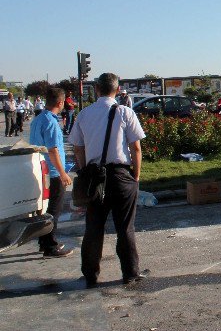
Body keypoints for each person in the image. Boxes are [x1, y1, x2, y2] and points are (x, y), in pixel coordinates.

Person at [69, 73, 147, 287]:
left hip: (95, 176)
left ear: (96, 89)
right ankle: (130, 272)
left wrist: (86, 171)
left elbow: (77, 147)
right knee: (125, 227)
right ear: (118, 89)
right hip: (121, 174)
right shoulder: (125, 112)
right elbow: (136, 147)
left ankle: (90, 274)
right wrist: (136, 176)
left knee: (94, 226)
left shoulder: (84, 114)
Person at [29, 87, 74, 258]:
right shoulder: (51, 122)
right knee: (53, 210)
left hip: (41, 169)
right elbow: (53, 149)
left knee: (46, 209)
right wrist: (63, 173)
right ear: (60, 102)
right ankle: (50, 245)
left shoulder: (39, 119)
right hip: (53, 172)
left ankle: (44, 241)